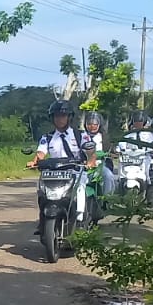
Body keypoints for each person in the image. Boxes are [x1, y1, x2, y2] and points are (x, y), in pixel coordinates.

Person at [27, 100, 94, 238]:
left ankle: (80, 221)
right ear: (52, 118)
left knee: (80, 190)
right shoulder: (48, 137)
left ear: (70, 117)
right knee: (42, 192)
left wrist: (91, 162)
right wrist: (34, 161)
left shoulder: (80, 135)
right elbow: (40, 153)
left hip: (75, 171)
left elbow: (90, 151)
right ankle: (43, 220)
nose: (60, 119)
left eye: (63, 116)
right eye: (57, 116)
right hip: (53, 173)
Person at [82, 111, 116, 196]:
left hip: (100, 166)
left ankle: (107, 199)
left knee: (108, 176)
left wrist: (112, 154)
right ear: (85, 124)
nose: (92, 127)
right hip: (84, 167)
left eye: (95, 124)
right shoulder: (81, 135)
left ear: (99, 125)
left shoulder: (104, 137)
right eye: (89, 124)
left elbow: (111, 151)